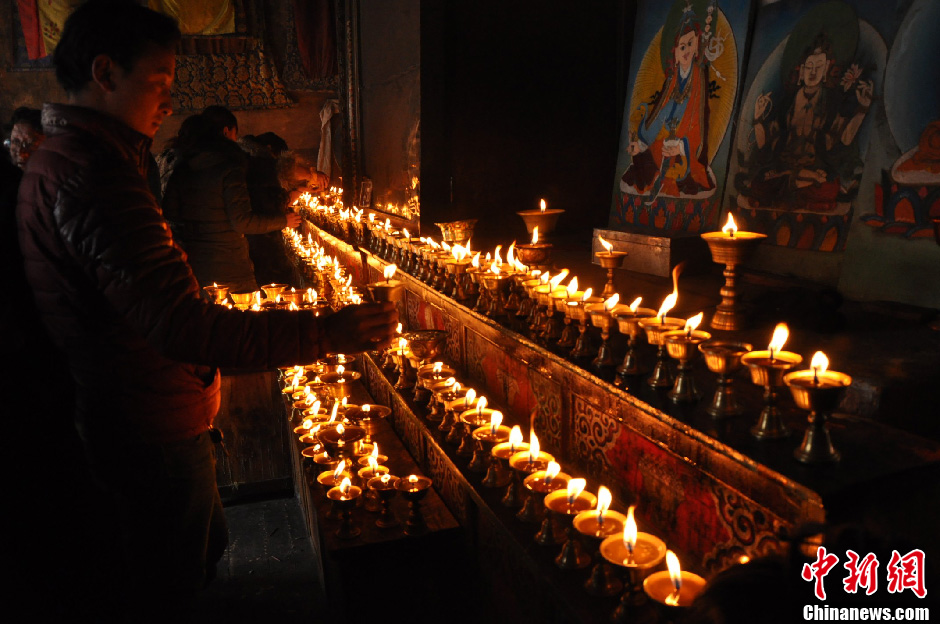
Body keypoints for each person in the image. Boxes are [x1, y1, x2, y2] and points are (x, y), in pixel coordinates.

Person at [15, 1, 397, 618]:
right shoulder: (93, 176)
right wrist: (330, 330)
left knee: (193, 551)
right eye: (160, 83)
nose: (169, 103)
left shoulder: (78, 162)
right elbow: (182, 325)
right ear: (106, 72)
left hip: (135, 407)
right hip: (147, 420)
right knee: (169, 575)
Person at [162, 105, 301, 293]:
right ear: (225, 133)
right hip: (230, 266)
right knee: (240, 319)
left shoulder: (182, 168)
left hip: (195, 266)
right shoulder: (229, 169)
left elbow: (170, 214)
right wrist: (283, 220)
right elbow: (242, 221)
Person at [740, 33, 873, 211]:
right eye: (809, 66)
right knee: (759, 184)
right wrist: (757, 118)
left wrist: (862, 110)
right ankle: (794, 179)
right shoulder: (787, 104)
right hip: (786, 171)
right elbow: (766, 142)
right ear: (801, 70)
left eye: (818, 67)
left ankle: (796, 181)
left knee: (828, 187)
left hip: (814, 172)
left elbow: (845, 138)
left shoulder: (831, 102)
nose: (813, 72)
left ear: (826, 69)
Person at [621, 11, 714, 200]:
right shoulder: (672, 81)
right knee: (642, 161)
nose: (686, 50)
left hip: (685, 147)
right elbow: (660, 115)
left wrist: (681, 146)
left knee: (681, 175)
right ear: (676, 55)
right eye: (682, 47)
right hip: (664, 143)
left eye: (690, 43)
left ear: (697, 47)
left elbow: (699, 123)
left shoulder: (699, 79)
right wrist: (641, 144)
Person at [238, 131, 297, 285]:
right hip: (262, 243)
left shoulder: (247, 161)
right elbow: (266, 204)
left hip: (252, 242)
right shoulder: (261, 165)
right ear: (270, 149)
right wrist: (283, 220)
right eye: (279, 158)